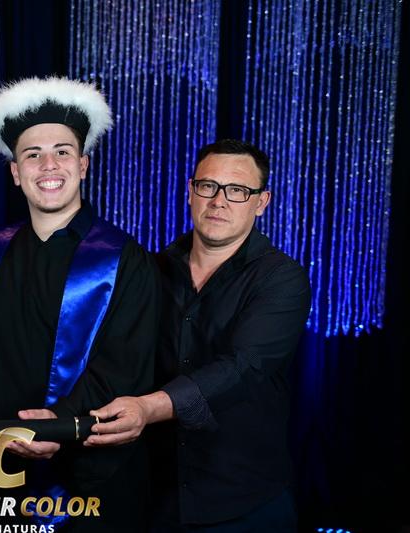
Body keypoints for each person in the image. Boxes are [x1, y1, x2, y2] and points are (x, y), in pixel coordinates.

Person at [87, 139, 311, 532]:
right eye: (208, 186)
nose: (219, 201)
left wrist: (149, 408)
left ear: (262, 202)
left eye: (237, 190)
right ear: (190, 191)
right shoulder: (152, 271)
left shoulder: (281, 278)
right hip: (154, 499)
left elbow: (245, 367)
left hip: (243, 502)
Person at [0, 77, 160, 531]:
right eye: (32, 154)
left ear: (83, 164)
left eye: (62, 151)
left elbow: (126, 367)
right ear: (15, 172)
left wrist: (58, 423)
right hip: (0, 468)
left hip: (92, 479)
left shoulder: (124, 258)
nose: (48, 165)